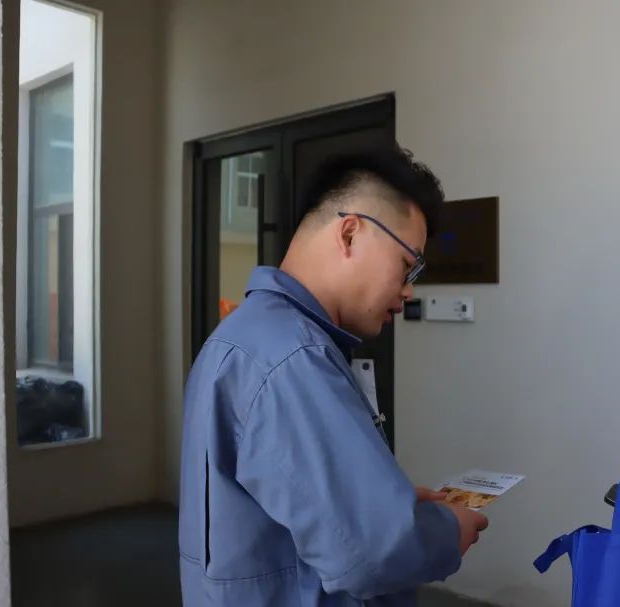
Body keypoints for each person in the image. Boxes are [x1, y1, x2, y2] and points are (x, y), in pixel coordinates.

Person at [178, 146, 488, 606]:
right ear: (349, 233)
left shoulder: (246, 336)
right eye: (407, 265)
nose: (407, 292)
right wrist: (448, 529)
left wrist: (387, 505)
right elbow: (375, 552)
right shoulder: (291, 357)